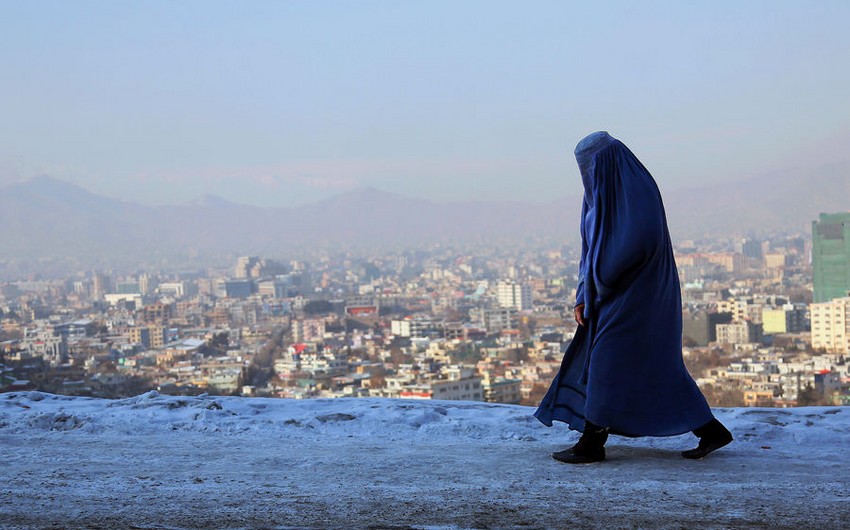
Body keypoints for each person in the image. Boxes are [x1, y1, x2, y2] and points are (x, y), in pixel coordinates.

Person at [534, 131, 732, 464]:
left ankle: (592, 441)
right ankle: (710, 430)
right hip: (609, 297)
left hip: (642, 295)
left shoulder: (635, 190)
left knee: (605, 362)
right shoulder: (599, 196)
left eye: (591, 165)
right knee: (653, 367)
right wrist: (584, 293)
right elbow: (589, 251)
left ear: (607, 162)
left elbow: (639, 240)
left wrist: (603, 281)